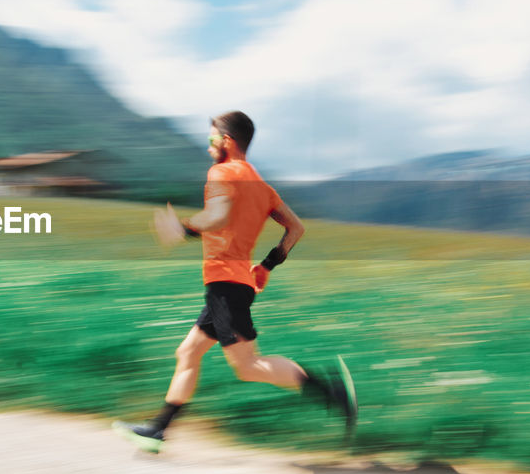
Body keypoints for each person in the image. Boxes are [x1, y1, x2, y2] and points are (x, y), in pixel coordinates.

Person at [112, 111, 356, 453]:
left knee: (247, 366)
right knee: (188, 352)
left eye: (212, 138)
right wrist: (268, 264)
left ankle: (331, 391)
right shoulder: (260, 185)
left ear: (227, 141)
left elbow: (218, 216)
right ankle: (158, 430)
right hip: (232, 285)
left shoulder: (222, 172)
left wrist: (181, 229)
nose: (209, 145)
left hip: (226, 285)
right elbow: (296, 228)